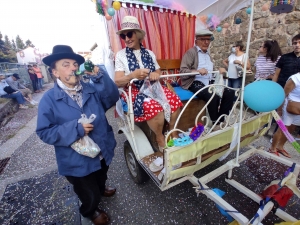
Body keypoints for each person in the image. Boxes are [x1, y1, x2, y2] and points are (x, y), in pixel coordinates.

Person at [36, 45, 119, 225]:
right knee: (87, 192)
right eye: (66, 65)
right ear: (55, 72)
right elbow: (44, 132)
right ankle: (90, 209)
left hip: (101, 150)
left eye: (74, 64)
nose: (73, 68)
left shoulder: (90, 88)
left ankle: (101, 188)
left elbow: (112, 97)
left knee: (101, 176)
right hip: (76, 160)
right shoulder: (49, 100)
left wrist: (100, 77)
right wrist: (76, 129)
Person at [114, 16, 183, 151]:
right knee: (153, 106)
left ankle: (173, 131)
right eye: (123, 36)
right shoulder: (121, 55)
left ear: (138, 35)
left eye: (129, 34)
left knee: (174, 100)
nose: (127, 39)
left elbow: (157, 69)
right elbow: (117, 81)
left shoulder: (149, 53)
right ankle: (159, 137)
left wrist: (156, 74)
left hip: (152, 86)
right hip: (134, 90)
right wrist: (133, 75)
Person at [180, 29, 235, 123]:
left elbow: (212, 71)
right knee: (212, 95)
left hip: (209, 81)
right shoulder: (191, 53)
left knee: (230, 92)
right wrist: (197, 71)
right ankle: (215, 122)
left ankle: (221, 120)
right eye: (203, 39)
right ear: (196, 41)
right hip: (195, 82)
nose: (206, 42)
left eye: (208, 39)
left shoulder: (208, 54)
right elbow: (183, 71)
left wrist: (219, 70)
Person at [269, 72, 300, 158]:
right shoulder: (295, 78)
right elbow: (283, 94)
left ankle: (280, 146)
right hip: (289, 107)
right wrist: (279, 109)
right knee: (282, 128)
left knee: (292, 128)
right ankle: (272, 148)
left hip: (298, 109)